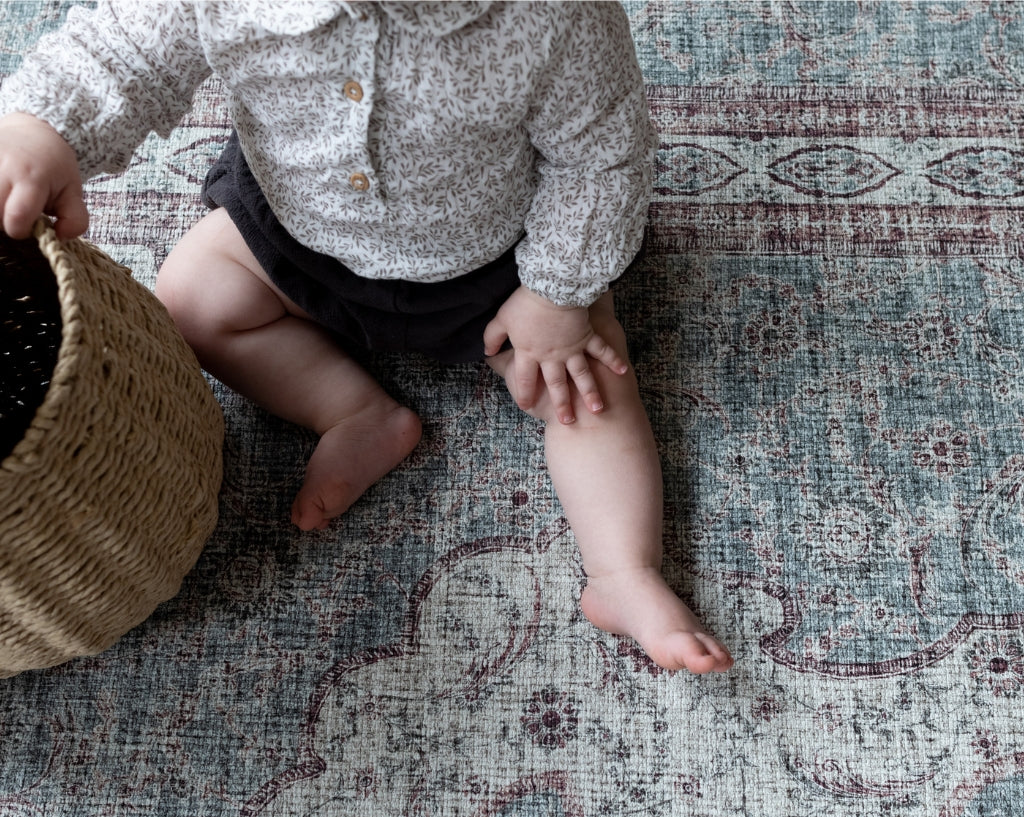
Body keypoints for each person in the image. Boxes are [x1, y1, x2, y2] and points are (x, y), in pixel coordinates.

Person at [0, 1, 734, 674]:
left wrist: (557, 293)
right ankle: (353, 412)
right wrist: (43, 126)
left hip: (499, 269)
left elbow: (604, 157)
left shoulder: (553, 17)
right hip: (298, 235)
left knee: (589, 384)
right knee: (191, 297)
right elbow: (124, 49)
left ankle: (623, 572)